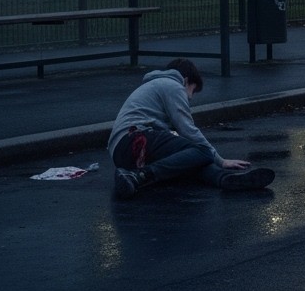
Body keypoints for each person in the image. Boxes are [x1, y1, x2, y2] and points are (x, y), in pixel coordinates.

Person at [108, 58, 275, 199]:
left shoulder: (153, 87)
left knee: (187, 160)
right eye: (192, 91)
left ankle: (226, 180)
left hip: (122, 153)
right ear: (186, 80)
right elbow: (187, 130)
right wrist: (221, 160)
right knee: (202, 151)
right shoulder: (172, 86)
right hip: (135, 140)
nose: (189, 97)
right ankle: (139, 176)